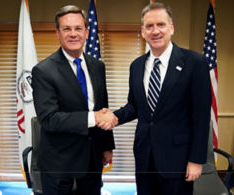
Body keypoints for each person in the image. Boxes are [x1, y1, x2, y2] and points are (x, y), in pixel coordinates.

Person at [113, 2, 211, 195]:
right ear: (142, 31)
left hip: (178, 160)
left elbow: (201, 117)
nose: (155, 31)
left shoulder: (194, 62)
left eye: (161, 25)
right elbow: (134, 106)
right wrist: (113, 117)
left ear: (171, 28)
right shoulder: (137, 66)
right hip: (144, 157)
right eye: (149, 26)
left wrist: (196, 160)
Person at [31, 5, 117, 195]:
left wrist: (106, 147)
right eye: (66, 29)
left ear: (86, 32)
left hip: (92, 159)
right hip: (59, 161)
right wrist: (93, 118)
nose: (73, 34)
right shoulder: (43, 71)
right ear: (57, 33)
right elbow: (49, 119)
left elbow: (103, 107)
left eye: (78, 28)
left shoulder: (97, 66)